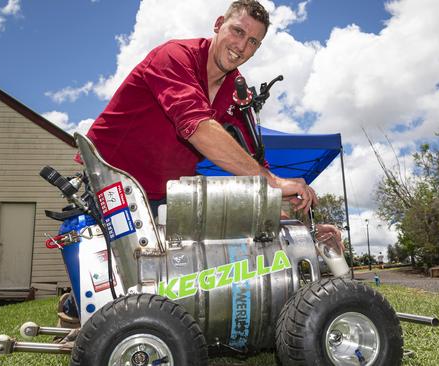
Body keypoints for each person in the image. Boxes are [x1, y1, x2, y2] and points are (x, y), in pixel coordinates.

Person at [82, 0, 342, 247]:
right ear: (218, 24)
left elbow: (255, 163)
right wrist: (273, 182)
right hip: (111, 182)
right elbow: (198, 127)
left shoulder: (237, 91)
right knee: (130, 285)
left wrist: (299, 227)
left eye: (252, 41)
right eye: (237, 31)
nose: (241, 46)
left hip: (166, 196)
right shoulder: (174, 56)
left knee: (211, 258)